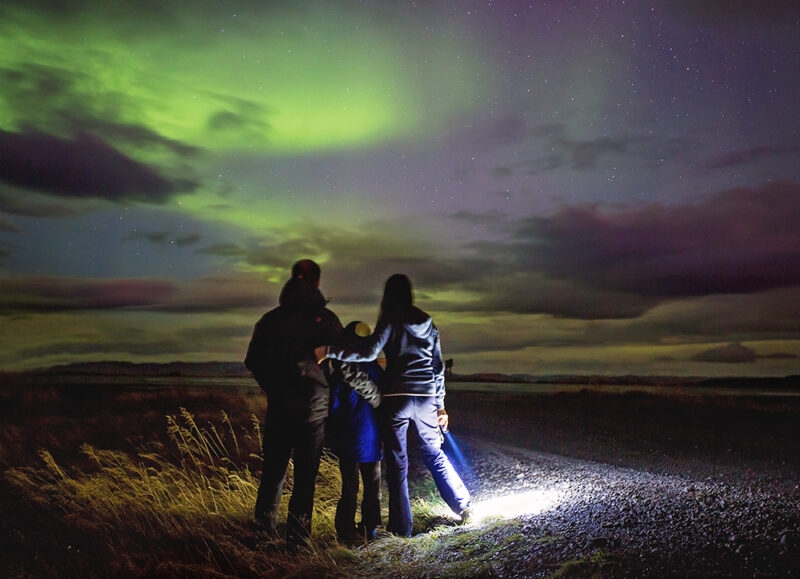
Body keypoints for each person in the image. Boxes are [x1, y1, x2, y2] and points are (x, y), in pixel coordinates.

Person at [316, 273, 471, 537]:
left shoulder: (390, 318)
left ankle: (402, 529)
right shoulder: (428, 322)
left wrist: (329, 350)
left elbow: (368, 353)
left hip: (396, 397)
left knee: (398, 463)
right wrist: (441, 405)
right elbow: (437, 367)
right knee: (434, 452)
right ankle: (463, 505)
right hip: (425, 399)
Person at [244, 259, 342, 547]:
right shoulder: (327, 319)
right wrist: (327, 386)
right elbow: (345, 357)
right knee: (305, 476)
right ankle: (298, 540)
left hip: (279, 406)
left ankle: (263, 531)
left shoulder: (270, 320)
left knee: (274, 471)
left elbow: (252, 360)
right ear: (317, 282)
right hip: (314, 408)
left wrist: (271, 385)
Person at [326, 321, 384, 543]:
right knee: (372, 486)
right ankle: (371, 528)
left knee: (349, 487)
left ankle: (346, 531)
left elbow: (334, 407)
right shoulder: (377, 370)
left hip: (349, 437)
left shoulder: (341, 373)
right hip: (373, 438)